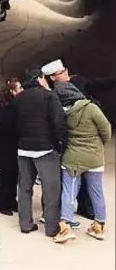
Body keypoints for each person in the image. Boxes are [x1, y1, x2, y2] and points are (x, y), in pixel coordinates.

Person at [11, 68, 67, 237]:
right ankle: (51, 228)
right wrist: (61, 144)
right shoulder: (49, 96)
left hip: (23, 149)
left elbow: (12, 123)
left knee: (25, 188)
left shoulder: (18, 99)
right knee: (51, 190)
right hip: (46, 149)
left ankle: (25, 224)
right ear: (39, 79)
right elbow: (58, 123)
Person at [52, 85, 111, 243]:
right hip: (94, 158)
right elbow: (106, 129)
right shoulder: (91, 108)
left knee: (69, 192)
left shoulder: (62, 113)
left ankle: (65, 227)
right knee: (97, 192)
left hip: (72, 158)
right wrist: (98, 145)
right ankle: (99, 226)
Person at [0, 78, 22, 216]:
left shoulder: (15, 105)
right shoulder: (5, 106)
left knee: (14, 175)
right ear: (12, 91)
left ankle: (11, 201)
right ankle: (1, 203)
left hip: (14, 145)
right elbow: (5, 127)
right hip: (6, 146)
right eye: (19, 89)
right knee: (6, 176)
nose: (22, 91)